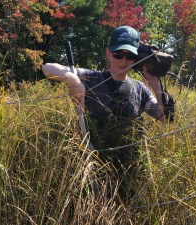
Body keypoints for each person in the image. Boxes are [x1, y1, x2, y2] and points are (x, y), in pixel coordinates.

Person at [42, 26, 166, 202]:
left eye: (130, 56)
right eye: (118, 54)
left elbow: (165, 119)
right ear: (108, 53)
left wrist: (154, 81)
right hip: (91, 170)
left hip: (128, 173)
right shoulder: (91, 78)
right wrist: (72, 79)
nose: (124, 60)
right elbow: (47, 67)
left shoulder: (140, 89)